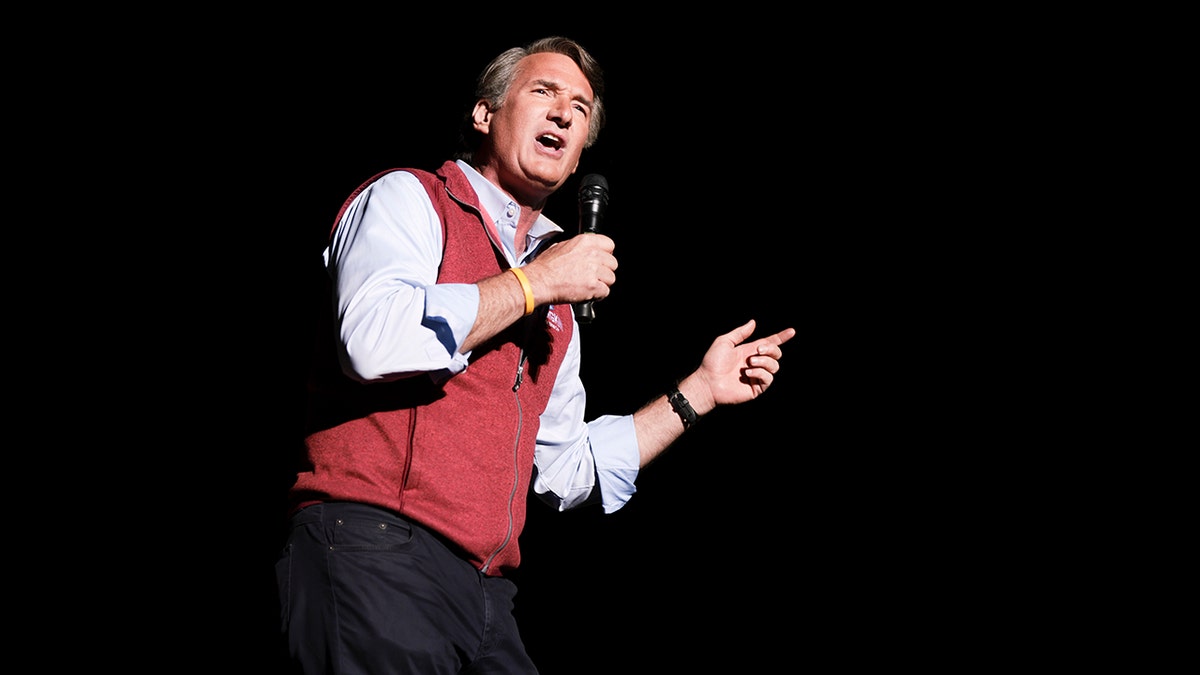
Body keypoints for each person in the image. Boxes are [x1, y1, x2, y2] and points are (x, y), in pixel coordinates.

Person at [275, 35, 796, 674]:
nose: (563, 113)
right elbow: (373, 338)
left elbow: (564, 469)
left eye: (579, 108)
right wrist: (535, 284)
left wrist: (697, 394)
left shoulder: (554, 296)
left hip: (487, 594)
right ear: (484, 114)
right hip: (375, 550)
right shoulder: (411, 199)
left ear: (579, 154)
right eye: (543, 93)